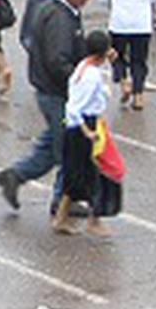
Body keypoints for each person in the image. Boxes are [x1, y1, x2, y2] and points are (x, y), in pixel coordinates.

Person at [0, 0, 98, 213]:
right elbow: (57, 60)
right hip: (57, 93)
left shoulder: (65, 12)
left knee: (52, 147)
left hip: (52, 91)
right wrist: (80, 82)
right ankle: (62, 202)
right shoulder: (59, 18)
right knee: (70, 150)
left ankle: (15, 176)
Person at [52, 30, 121, 236]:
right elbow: (75, 107)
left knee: (77, 174)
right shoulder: (90, 76)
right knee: (98, 172)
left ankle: (62, 218)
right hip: (84, 126)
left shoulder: (87, 67)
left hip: (86, 124)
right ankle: (95, 218)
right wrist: (87, 131)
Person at [101, 0, 156, 111]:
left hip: (119, 23)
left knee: (116, 55)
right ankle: (139, 96)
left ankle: (124, 81)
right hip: (142, 24)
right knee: (139, 60)